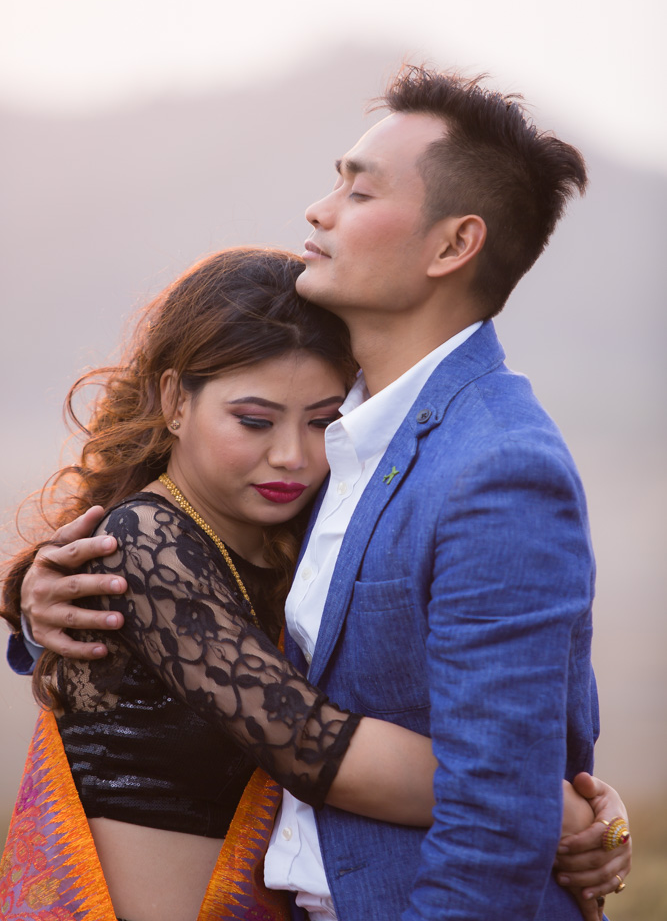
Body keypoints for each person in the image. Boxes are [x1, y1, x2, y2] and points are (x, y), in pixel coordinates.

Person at [9, 67, 632, 919]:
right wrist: (29, 604)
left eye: (358, 190)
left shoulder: (485, 462)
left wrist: (547, 803)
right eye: (254, 419)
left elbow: (494, 750)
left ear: (453, 246)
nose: (318, 209)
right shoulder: (352, 451)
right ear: (174, 401)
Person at [1, 247, 443, 921]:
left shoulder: (302, 537)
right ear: (175, 400)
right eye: (255, 421)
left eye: (324, 422)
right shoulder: (142, 541)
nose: (292, 456)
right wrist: (532, 804)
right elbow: (309, 742)